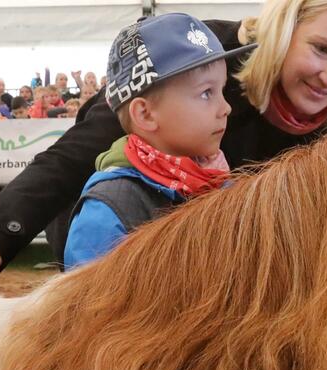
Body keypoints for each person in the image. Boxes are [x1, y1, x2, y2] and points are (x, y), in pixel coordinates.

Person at [0, 0, 327, 298]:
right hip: (122, 245)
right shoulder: (200, 58)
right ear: (284, 29)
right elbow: (72, 155)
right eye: (321, 48)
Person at [63, 13, 251, 269]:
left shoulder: (222, 184)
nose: (226, 107)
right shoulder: (110, 211)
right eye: (206, 93)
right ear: (145, 114)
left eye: (221, 90)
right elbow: (87, 303)